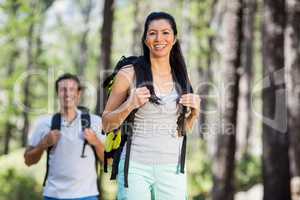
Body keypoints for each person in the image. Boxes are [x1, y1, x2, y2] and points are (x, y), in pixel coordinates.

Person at [102, 12, 200, 200]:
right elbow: (106, 124)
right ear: (146, 39)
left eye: (165, 33)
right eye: (152, 33)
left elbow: (181, 130)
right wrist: (130, 104)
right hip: (135, 167)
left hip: (173, 169)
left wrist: (194, 114)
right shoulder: (129, 73)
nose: (159, 38)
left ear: (174, 38)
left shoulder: (182, 75)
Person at [24, 73, 105, 200]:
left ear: (79, 94)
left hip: (87, 195)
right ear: (57, 93)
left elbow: (109, 161)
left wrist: (96, 142)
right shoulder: (44, 123)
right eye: (63, 89)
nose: (67, 94)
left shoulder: (95, 122)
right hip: (53, 196)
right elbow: (28, 161)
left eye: (72, 89)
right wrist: (43, 144)